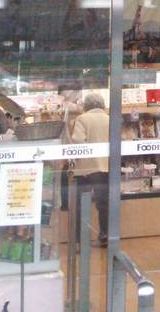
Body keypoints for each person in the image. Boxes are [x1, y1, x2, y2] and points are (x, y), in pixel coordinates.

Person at [69, 93, 111, 246]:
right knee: (103, 204)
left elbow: (78, 140)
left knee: (81, 205)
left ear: (86, 105)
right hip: (105, 167)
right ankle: (105, 235)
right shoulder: (109, 119)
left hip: (85, 169)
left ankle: (79, 241)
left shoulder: (82, 119)